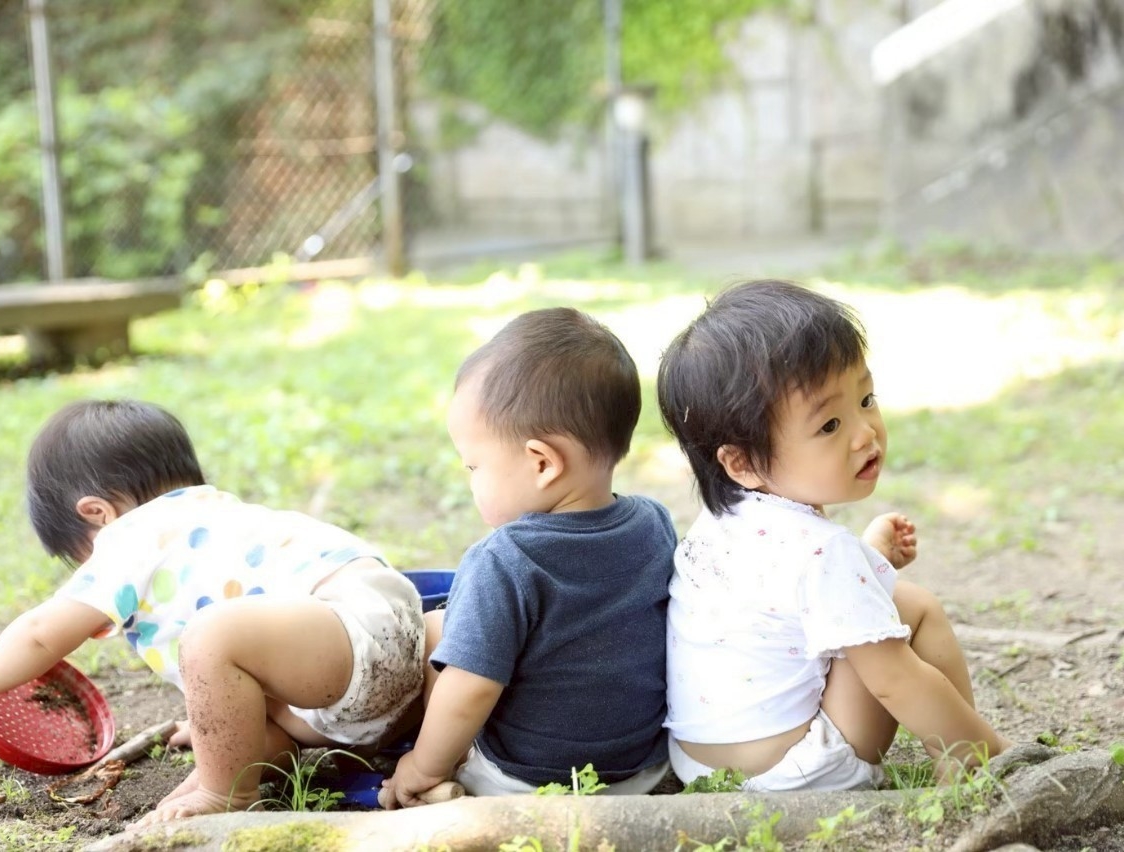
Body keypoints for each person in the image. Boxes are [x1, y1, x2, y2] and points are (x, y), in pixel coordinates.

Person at [0, 399, 425, 824]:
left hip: (343, 629)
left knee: (212, 638)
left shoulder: (133, 534)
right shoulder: (215, 514)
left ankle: (226, 793)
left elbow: (44, 632)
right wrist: (220, 728)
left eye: (83, 559)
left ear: (97, 513)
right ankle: (245, 751)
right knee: (241, 670)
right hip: (397, 636)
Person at [657, 279, 1008, 792]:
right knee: (916, 609)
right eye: (829, 425)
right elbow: (892, 680)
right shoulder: (825, 554)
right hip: (798, 773)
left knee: (889, 604)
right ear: (743, 461)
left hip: (700, 765)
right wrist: (997, 752)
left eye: (866, 399)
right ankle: (970, 758)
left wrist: (868, 558)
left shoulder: (720, 524)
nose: (865, 432)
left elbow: (791, 603)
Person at [382, 307, 677, 808]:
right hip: (643, 769)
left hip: (529, 779)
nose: (470, 479)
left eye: (474, 465)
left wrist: (422, 764)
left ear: (541, 462)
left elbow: (470, 688)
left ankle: (447, 788)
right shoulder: (654, 523)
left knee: (441, 631)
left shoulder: (505, 559)